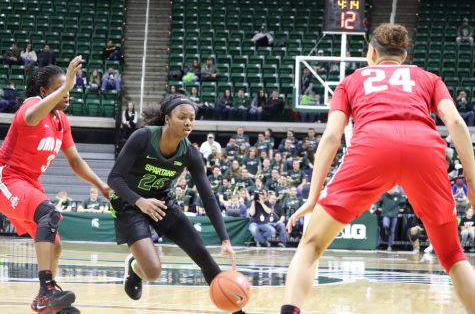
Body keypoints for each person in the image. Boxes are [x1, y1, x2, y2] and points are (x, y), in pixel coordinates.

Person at [280, 23, 475, 314]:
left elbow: (332, 136)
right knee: (452, 255)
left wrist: (312, 197)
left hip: (372, 146)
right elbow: (457, 124)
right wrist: (472, 182)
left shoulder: (350, 81)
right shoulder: (428, 78)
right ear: (404, 54)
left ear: (371, 52)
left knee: (310, 245)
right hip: (424, 147)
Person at [107, 94, 246, 314]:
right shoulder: (142, 137)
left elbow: (208, 197)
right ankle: (135, 266)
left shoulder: (190, 152)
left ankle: (236, 311)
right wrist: (140, 201)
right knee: (152, 272)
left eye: (192, 118)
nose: (188, 122)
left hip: (162, 203)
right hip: (129, 203)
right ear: (167, 118)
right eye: (182, 117)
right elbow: (114, 179)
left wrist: (225, 239)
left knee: (201, 252)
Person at [0, 56, 111, 314]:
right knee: (49, 212)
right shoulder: (32, 105)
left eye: (69, 89)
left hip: (29, 183)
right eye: (61, 89)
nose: (68, 94)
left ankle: (49, 304)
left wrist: (102, 186)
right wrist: (66, 85)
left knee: (56, 245)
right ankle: (46, 292)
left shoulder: (61, 121)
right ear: (43, 92)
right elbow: (29, 116)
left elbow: (75, 161)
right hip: (6, 178)